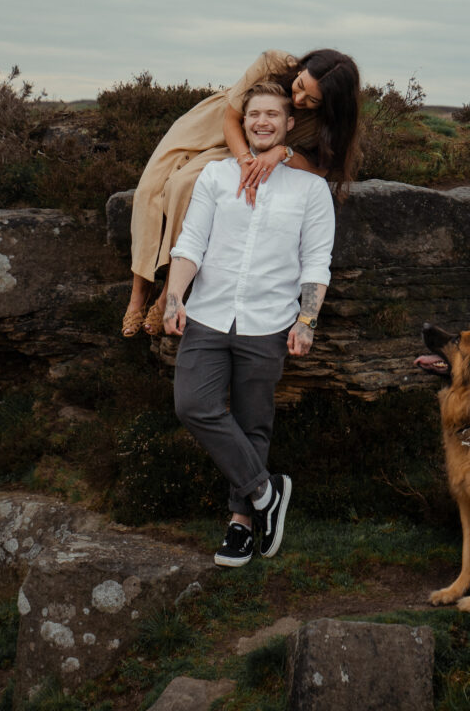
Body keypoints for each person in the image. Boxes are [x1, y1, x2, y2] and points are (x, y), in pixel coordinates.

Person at [163, 81, 336, 565]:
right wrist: (175, 297)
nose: (261, 121)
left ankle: (240, 526)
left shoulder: (311, 189)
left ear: (288, 125)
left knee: (252, 422)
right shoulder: (217, 176)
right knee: (192, 405)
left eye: (272, 115)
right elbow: (191, 242)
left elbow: (316, 261)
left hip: (267, 323)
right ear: (244, 122)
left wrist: (306, 321)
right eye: (254, 114)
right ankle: (266, 492)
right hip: (207, 316)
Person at [122, 48, 359, 337]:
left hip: (262, 137)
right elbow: (231, 119)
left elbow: (322, 167)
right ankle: (138, 293)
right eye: (299, 88)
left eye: (312, 101)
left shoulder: (330, 121)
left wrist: (282, 152)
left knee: (182, 187)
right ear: (300, 69)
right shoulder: (272, 63)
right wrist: (246, 160)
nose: (299, 100)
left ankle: (165, 298)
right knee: (149, 189)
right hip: (224, 125)